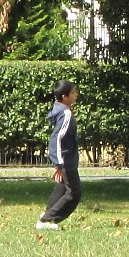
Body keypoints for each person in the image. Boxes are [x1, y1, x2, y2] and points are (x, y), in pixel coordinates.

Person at [36, 80, 82, 230]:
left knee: (62, 187)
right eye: (73, 92)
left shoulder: (62, 110)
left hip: (66, 159)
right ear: (64, 96)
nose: (76, 95)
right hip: (66, 159)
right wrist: (59, 164)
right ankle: (46, 220)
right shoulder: (66, 113)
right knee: (74, 193)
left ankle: (47, 215)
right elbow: (57, 138)